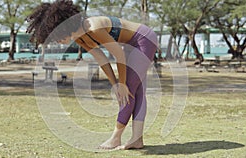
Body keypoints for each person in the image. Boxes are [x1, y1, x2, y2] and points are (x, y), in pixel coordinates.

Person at [26, 0, 157, 150]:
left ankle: (116, 138)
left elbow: (118, 54)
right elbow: (101, 58)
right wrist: (114, 84)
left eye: (57, 36)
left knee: (128, 90)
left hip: (143, 40)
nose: (59, 41)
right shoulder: (79, 36)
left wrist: (121, 83)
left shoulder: (94, 28)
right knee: (136, 90)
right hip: (128, 44)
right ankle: (136, 140)